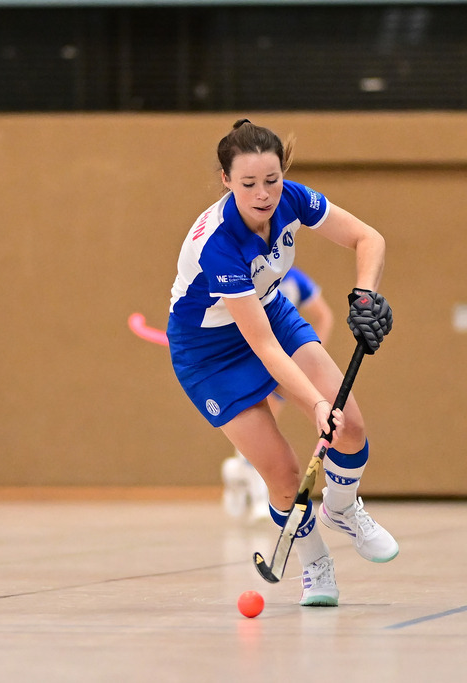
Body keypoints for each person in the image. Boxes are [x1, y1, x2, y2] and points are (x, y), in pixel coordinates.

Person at [168, 119, 396, 607]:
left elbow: (369, 238)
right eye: (248, 183)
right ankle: (314, 563)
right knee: (284, 473)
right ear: (226, 180)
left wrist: (365, 296)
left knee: (351, 426)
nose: (263, 194)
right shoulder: (219, 244)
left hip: (269, 309)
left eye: (271, 180)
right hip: (208, 352)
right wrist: (314, 403)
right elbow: (264, 347)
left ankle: (341, 508)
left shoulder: (293, 199)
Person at [221, 266, 334, 522]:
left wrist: (313, 350)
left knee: (265, 429)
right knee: (261, 429)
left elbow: (324, 316)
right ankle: (258, 497)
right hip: (255, 357)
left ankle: (236, 470)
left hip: (285, 361)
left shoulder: (296, 280)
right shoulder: (245, 274)